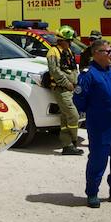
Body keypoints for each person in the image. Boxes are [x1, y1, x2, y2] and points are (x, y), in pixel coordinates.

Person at [73, 40, 111, 207]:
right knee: (98, 159)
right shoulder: (88, 75)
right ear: (96, 54)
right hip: (99, 126)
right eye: (107, 51)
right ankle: (92, 192)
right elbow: (79, 99)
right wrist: (93, 113)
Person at [46, 26, 83, 155]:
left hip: (70, 89)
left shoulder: (68, 51)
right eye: (69, 41)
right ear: (61, 40)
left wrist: (76, 82)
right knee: (73, 115)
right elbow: (54, 71)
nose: (71, 43)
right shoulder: (53, 52)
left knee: (65, 118)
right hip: (61, 89)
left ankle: (67, 146)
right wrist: (67, 84)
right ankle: (73, 140)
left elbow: (73, 69)